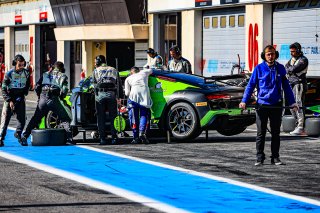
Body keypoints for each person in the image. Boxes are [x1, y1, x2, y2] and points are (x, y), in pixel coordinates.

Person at [239, 45, 298, 166]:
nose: (271, 56)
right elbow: (250, 86)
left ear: (275, 55)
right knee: (261, 133)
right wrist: (244, 101)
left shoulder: (280, 68)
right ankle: (259, 158)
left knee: (276, 133)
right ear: (264, 56)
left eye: (272, 54)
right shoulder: (258, 69)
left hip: (276, 105)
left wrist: (292, 102)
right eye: (268, 54)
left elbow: (286, 87)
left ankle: (275, 157)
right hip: (262, 105)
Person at [21, 61, 72, 144]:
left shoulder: (45, 74)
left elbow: (37, 86)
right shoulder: (62, 76)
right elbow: (65, 89)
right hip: (54, 99)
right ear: (61, 68)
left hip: (42, 98)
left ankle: (25, 136)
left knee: (35, 119)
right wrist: (61, 97)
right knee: (65, 118)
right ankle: (69, 139)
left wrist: (39, 96)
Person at [0, 55, 31, 146]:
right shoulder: (9, 74)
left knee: (22, 119)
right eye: (19, 65)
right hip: (10, 99)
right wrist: (9, 100)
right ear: (15, 64)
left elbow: (28, 84)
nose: (21, 67)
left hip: (20, 98)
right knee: (5, 120)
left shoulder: (26, 73)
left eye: (22, 65)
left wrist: (24, 93)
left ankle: (18, 133)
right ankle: (1, 138)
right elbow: (3, 88)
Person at [93, 55, 123, 145]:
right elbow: (119, 85)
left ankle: (102, 139)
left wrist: (96, 95)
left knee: (100, 118)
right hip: (112, 94)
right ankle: (114, 137)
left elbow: (94, 85)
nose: (95, 64)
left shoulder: (96, 70)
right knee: (113, 117)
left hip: (100, 96)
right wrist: (119, 96)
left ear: (99, 61)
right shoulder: (113, 69)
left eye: (95, 62)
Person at [285, 42, 308, 135]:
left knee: (298, 104)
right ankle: (297, 124)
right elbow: (286, 68)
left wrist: (290, 69)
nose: (291, 53)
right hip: (291, 83)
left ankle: (301, 126)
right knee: (292, 105)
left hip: (299, 84)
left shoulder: (303, 60)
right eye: (291, 51)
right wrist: (290, 69)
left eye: (293, 51)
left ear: (298, 50)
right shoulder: (291, 60)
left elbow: (294, 69)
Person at [125, 66, 152, 144]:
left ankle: (135, 137)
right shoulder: (144, 73)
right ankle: (142, 133)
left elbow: (127, 93)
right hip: (145, 95)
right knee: (144, 115)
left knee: (133, 117)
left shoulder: (128, 78)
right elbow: (151, 70)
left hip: (133, 97)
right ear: (138, 70)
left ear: (131, 72)